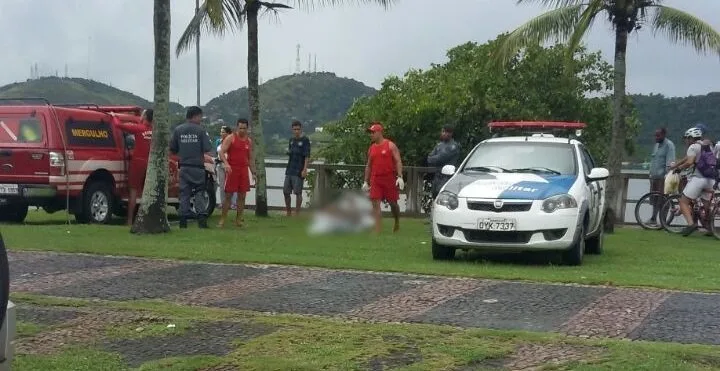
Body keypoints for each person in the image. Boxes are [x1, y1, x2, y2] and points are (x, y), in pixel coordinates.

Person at [668, 127, 716, 236]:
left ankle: (691, 224)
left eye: (686, 138)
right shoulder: (708, 146)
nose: (685, 140)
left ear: (691, 138)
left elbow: (689, 161)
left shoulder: (693, 147)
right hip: (710, 179)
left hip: (698, 179)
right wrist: (676, 164)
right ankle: (710, 229)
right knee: (707, 207)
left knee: (683, 201)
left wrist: (679, 169)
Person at [170, 106, 212, 229]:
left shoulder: (178, 130)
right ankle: (202, 221)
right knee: (199, 193)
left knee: (184, 194)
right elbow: (207, 148)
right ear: (195, 116)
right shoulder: (200, 130)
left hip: (183, 167)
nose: (201, 119)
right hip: (197, 167)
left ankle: (183, 221)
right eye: (200, 117)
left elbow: (173, 149)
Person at [111, 108, 153, 226]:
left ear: (144, 117)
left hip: (137, 162)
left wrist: (114, 115)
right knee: (148, 193)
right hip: (150, 163)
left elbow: (118, 125)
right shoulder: (154, 131)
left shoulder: (139, 129)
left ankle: (129, 220)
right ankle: (147, 219)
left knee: (133, 192)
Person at [362, 122, 404, 233]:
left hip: (389, 178)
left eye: (372, 132)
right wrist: (366, 181)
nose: (371, 135)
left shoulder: (390, 145)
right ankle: (377, 228)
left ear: (379, 132)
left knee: (393, 203)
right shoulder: (371, 148)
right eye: (370, 133)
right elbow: (368, 165)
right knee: (375, 203)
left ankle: (397, 222)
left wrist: (399, 176)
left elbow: (398, 161)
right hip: (376, 178)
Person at [217, 118, 256, 227]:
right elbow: (221, 152)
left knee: (242, 196)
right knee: (228, 195)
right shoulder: (231, 138)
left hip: (243, 170)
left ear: (247, 128)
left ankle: (238, 219)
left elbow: (250, 158)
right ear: (237, 127)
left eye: (244, 128)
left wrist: (253, 172)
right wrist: (226, 164)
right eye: (240, 128)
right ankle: (223, 219)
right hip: (232, 169)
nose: (242, 130)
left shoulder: (249, 141)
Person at [647, 127, 675, 226]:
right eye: (655, 135)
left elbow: (670, 162)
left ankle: (664, 222)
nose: (656, 137)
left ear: (663, 135)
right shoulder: (656, 145)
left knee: (664, 199)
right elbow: (653, 160)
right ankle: (653, 218)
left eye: (658, 135)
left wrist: (666, 175)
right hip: (654, 177)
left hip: (663, 177)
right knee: (654, 199)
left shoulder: (669, 145)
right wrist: (650, 173)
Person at [283, 120, 311, 216]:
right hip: (290, 168)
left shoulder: (305, 140)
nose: (296, 131)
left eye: (298, 129)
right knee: (286, 191)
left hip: (299, 169)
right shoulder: (291, 140)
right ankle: (288, 212)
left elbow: (307, 156)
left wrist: (305, 169)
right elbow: (290, 152)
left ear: (301, 129)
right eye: (294, 129)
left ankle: (297, 213)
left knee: (298, 192)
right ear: (292, 129)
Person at [427, 125, 461, 199]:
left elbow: (441, 158)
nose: (443, 134)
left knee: (443, 197)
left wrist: (435, 158)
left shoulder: (453, 146)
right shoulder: (439, 145)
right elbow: (429, 158)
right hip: (437, 176)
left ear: (450, 133)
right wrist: (434, 158)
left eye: (445, 132)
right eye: (443, 131)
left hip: (448, 177)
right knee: (434, 196)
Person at [214, 126, 237, 210]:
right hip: (220, 165)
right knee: (222, 184)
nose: (221, 134)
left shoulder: (232, 141)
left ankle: (233, 203)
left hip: (229, 165)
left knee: (231, 184)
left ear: (228, 133)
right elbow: (217, 153)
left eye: (223, 132)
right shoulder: (218, 141)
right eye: (221, 132)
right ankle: (223, 202)